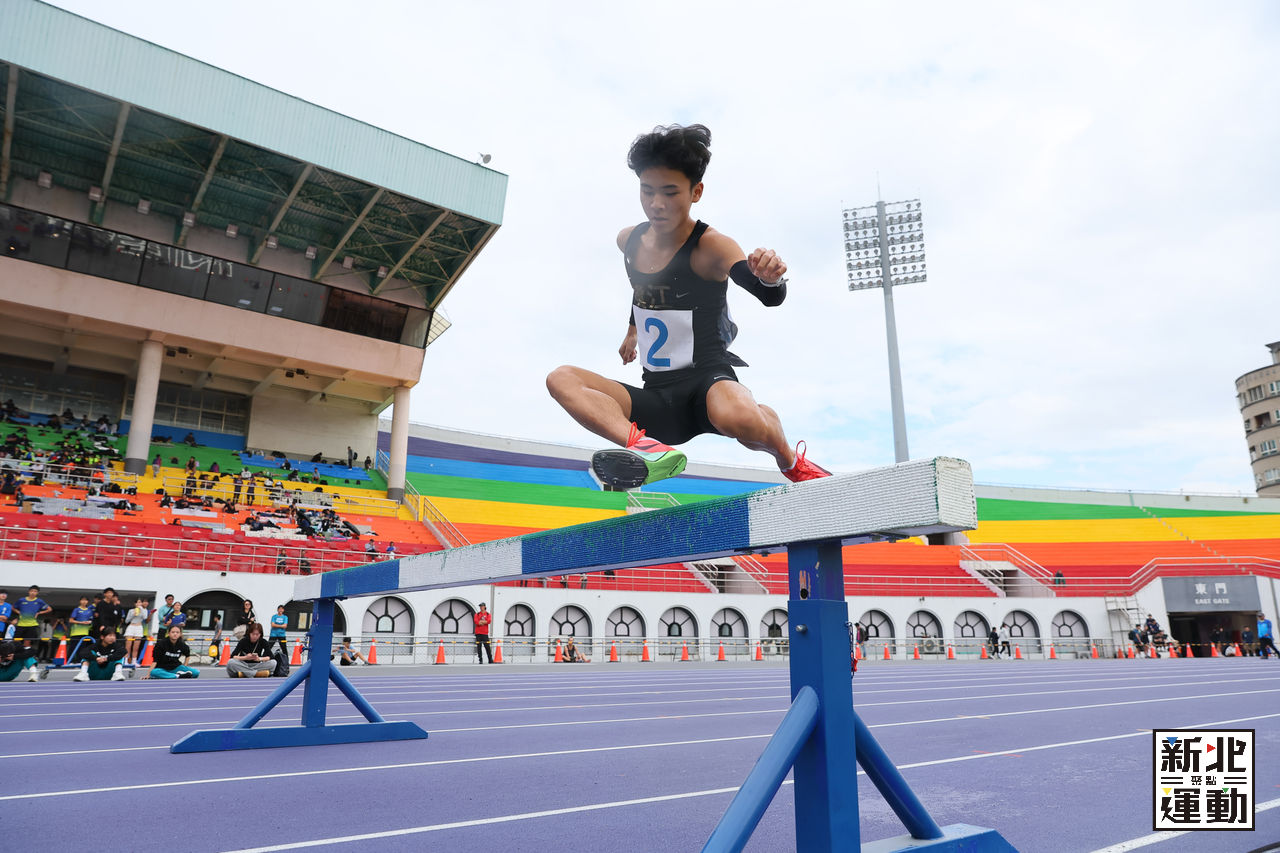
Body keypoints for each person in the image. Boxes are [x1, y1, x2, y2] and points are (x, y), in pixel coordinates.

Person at [545, 123, 830, 491]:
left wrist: (771, 278)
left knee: (739, 417)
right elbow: (642, 287)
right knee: (561, 378)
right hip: (657, 397)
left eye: (670, 192)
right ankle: (649, 450)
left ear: (696, 192)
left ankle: (789, 460)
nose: (656, 204)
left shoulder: (711, 246)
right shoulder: (629, 241)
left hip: (709, 386)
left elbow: (766, 294)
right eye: (647, 191)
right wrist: (632, 330)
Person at [10, 585, 52, 657]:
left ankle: (25, 656)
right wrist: (18, 612)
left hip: (32, 625)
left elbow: (49, 609)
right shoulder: (21, 600)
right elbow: (13, 607)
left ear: (37, 593)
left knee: (27, 642)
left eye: (35, 591)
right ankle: (14, 656)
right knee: (16, 641)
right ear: (29, 592)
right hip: (21, 624)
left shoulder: (39, 601)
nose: (33, 593)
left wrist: (39, 613)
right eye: (32, 591)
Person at [121, 596, 148, 665]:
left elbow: (145, 617)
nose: (139, 604)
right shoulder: (131, 611)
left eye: (140, 602)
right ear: (135, 604)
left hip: (139, 627)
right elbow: (127, 621)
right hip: (131, 627)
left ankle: (134, 661)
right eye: (137, 602)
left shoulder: (144, 610)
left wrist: (141, 609)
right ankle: (126, 660)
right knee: (128, 646)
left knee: (136, 647)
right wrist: (133, 615)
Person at [67, 595, 94, 663]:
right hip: (75, 633)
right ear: (80, 601)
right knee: (73, 648)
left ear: (87, 602)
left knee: (82, 649)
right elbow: (71, 620)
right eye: (82, 600)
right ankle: (69, 662)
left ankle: (80, 662)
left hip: (85, 633)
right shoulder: (76, 610)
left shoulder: (89, 611)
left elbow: (91, 620)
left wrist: (89, 622)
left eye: (85, 600)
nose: (84, 601)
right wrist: (81, 622)